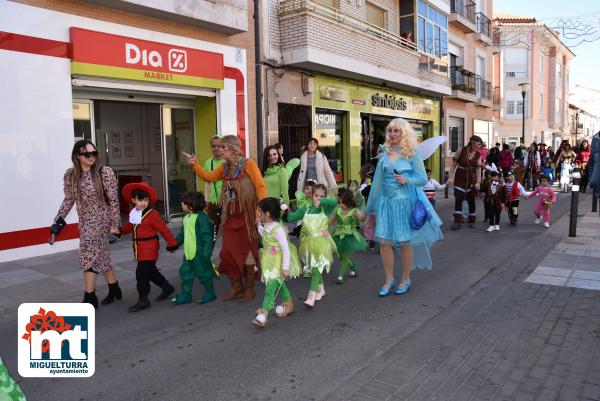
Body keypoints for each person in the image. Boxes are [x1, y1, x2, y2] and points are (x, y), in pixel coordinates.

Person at [183, 135, 267, 302]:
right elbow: (208, 177)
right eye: (219, 147)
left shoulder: (248, 164)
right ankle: (237, 285)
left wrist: (260, 211)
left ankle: (249, 287)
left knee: (248, 251)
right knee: (226, 252)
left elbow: (260, 187)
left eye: (223, 147)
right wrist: (195, 164)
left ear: (233, 149)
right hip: (230, 217)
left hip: (247, 216)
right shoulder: (224, 168)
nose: (219, 150)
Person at [365, 118, 443, 297]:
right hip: (386, 203)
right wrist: (368, 208)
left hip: (404, 203)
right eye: (390, 131)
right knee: (384, 242)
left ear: (404, 133)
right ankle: (389, 279)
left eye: (396, 131)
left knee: (404, 242)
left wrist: (406, 179)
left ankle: (406, 278)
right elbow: (376, 183)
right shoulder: (384, 153)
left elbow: (422, 179)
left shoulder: (411, 153)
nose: (392, 134)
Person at [52, 139, 122, 308]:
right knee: (102, 256)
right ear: (77, 156)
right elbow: (69, 199)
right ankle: (114, 289)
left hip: (101, 220)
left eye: (94, 153)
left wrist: (115, 223)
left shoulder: (104, 172)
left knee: (88, 256)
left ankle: (89, 297)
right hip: (85, 222)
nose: (92, 157)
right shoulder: (71, 175)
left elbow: (113, 200)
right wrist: (58, 219)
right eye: (87, 154)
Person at [118, 182, 178, 312]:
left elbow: (164, 229)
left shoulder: (152, 214)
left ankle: (143, 300)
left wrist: (172, 243)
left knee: (141, 274)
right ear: (133, 200)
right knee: (151, 273)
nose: (143, 203)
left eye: (146, 200)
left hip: (150, 248)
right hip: (139, 249)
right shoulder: (134, 212)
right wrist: (119, 231)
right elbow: (131, 227)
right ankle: (167, 288)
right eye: (140, 200)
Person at [286, 183, 338, 308]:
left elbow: (335, 202)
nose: (318, 198)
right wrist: (283, 211)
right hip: (308, 243)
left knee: (315, 270)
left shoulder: (325, 208)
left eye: (321, 196)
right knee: (314, 268)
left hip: (321, 243)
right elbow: (291, 217)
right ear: (311, 195)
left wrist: (323, 201)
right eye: (316, 195)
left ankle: (311, 296)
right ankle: (321, 289)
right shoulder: (306, 208)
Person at [252, 198, 300, 327]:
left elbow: (285, 249)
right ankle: (288, 305)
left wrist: (285, 268)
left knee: (270, 289)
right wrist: (258, 227)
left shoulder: (278, 229)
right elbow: (266, 235)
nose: (259, 214)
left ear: (267, 214)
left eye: (260, 212)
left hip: (277, 262)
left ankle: (264, 315)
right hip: (269, 261)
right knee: (279, 285)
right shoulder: (267, 225)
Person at [171, 191, 217, 305]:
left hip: (199, 253)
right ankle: (186, 294)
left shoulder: (202, 218)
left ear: (191, 206)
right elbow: (182, 234)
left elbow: (207, 236)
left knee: (203, 273)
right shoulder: (186, 218)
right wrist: (174, 244)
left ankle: (210, 293)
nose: (181, 203)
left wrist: (207, 252)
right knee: (185, 272)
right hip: (188, 253)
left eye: (184, 202)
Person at [329, 189, 367, 284]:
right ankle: (353, 266)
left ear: (349, 202)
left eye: (342, 203)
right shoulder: (337, 210)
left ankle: (341, 276)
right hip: (339, 236)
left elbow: (362, 218)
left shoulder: (354, 211)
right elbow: (330, 221)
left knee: (345, 256)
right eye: (339, 202)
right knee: (341, 257)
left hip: (350, 237)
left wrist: (366, 213)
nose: (340, 204)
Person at [447, 135, 483, 229]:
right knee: (458, 199)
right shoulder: (460, 150)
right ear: (473, 143)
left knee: (471, 200)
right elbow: (454, 165)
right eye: (479, 144)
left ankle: (472, 220)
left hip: (472, 179)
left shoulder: (478, 155)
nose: (480, 147)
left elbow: (478, 170)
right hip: (460, 178)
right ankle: (457, 221)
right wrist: (450, 177)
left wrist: (478, 182)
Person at [203, 136, 225, 239]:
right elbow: (207, 183)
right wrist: (206, 201)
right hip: (213, 203)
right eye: (213, 146)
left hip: (227, 202)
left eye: (219, 146)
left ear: (223, 147)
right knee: (212, 233)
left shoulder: (227, 162)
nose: (216, 148)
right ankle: (209, 254)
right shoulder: (208, 163)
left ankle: (228, 254)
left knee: (228, 232)